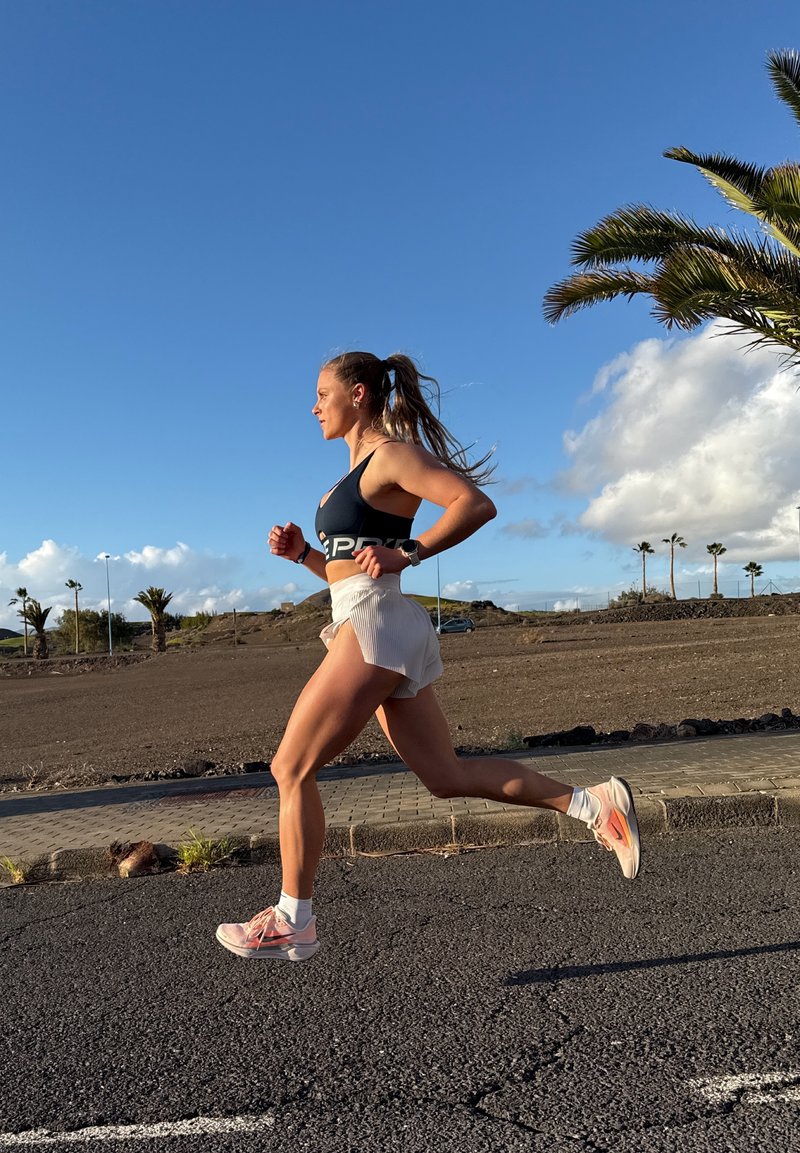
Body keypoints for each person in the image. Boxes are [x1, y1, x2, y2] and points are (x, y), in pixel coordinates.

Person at [216, 351, 640, 962]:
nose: (312, 407)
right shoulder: (354, 471)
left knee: (291, 768)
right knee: (445, 778)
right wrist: (305, 554)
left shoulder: (391, 454)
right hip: (368, 619)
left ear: (357, 394)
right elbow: (349, 568)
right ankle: (591, 804)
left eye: (320, 394)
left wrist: (410, 553)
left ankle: (293, 918)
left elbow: (473, 504)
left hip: (375, 622)